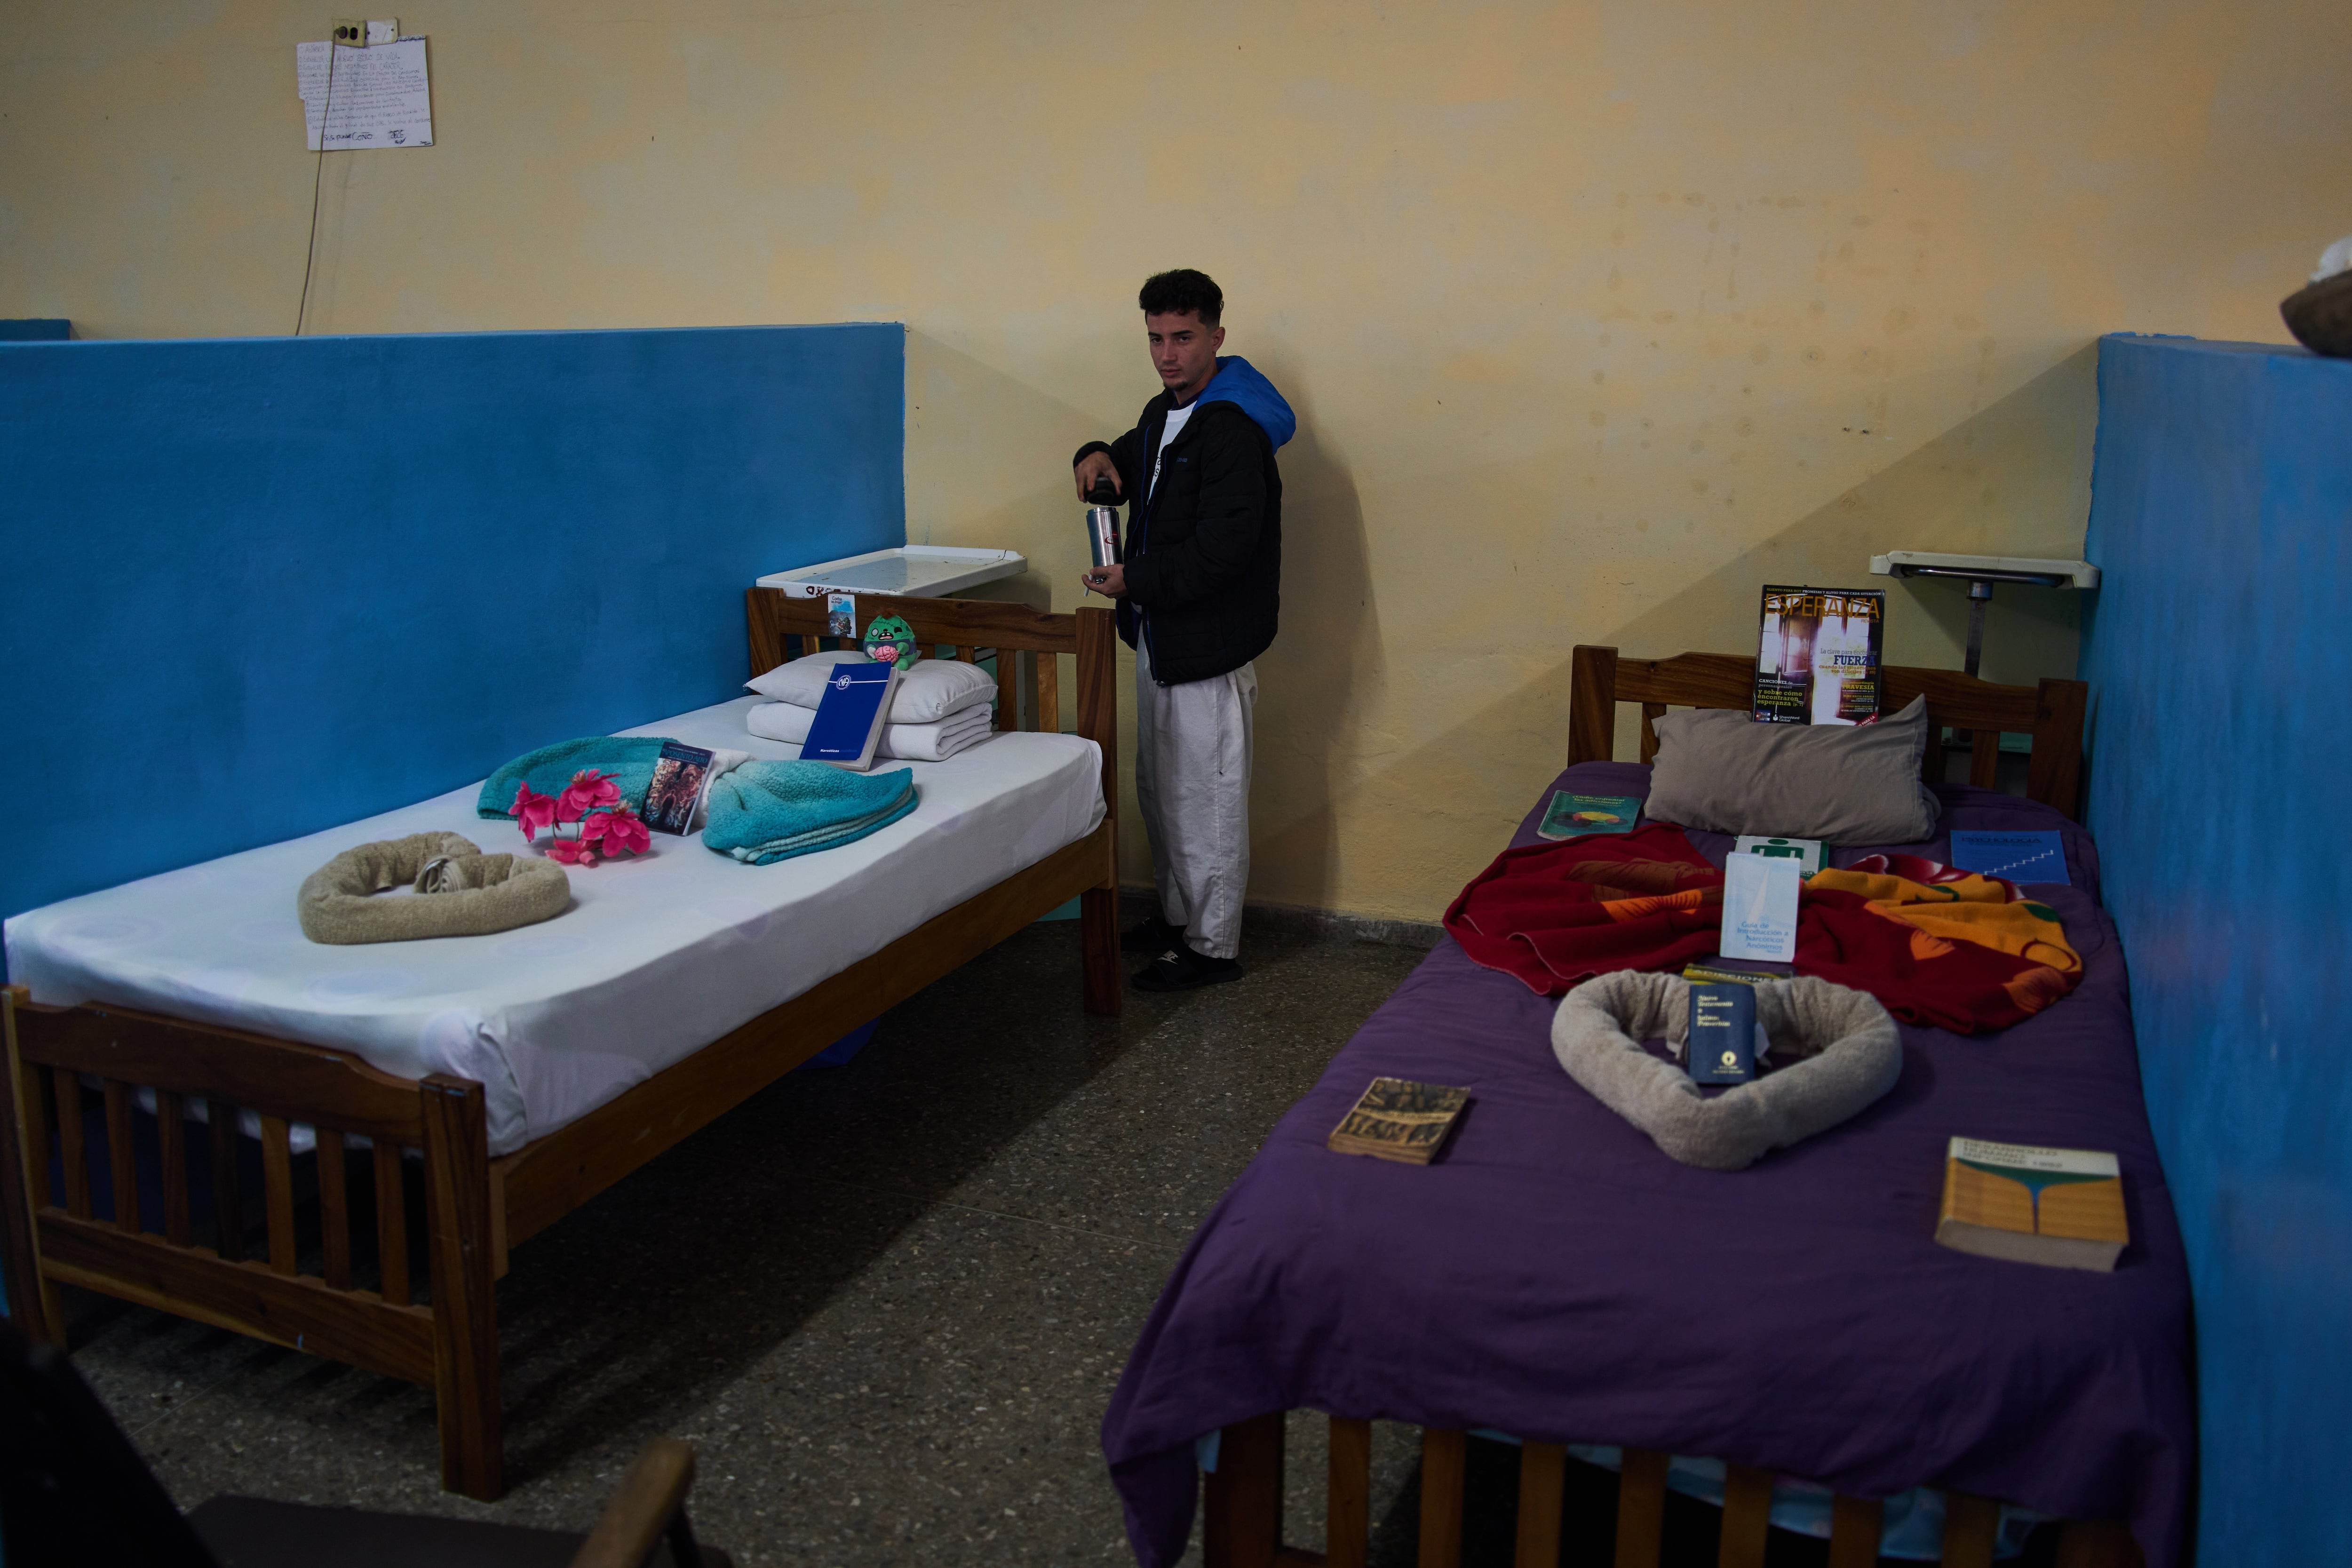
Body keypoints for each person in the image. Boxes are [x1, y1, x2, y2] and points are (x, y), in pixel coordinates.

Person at [1074, 269, 1294, 992]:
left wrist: (1133, 579)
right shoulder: (1165, 411)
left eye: (1184, 337)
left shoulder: (1234, 431)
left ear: (1216, 337)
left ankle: (1211, 946)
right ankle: (1176, 919)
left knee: (1208, 802)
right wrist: (1095, 452)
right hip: (1161, 639)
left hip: (1209, 650)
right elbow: (1143, 459)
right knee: (1160, 790)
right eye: (1156, 338)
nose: (1168, 354)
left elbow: (1223, 551)